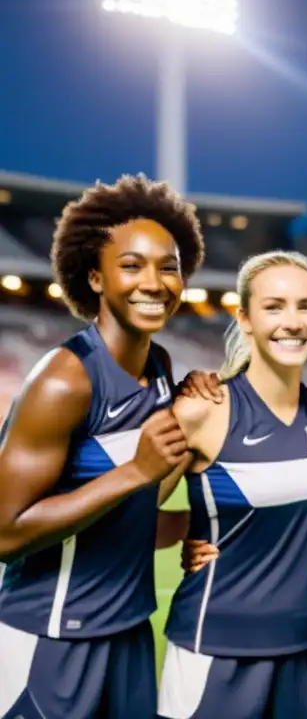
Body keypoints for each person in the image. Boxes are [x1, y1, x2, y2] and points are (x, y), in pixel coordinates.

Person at [0, 175, 204, 718]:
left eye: (169, 267)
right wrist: (136, 472)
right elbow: (5, 533)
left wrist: (195, 525)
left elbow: (124, 518)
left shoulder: (160, 368)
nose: (155, 282)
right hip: (52, 639)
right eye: (131, 265)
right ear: (95, 276)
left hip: (131, 633)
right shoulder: (65, 381)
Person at [156, 251, 307, 718]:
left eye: (305, 306)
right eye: (274, 306)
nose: (292, 322)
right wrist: (184, 532)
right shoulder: (202, 411)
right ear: (245, 318)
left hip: (302, 654)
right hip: (212, 650)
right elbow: (128, 513)